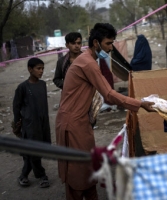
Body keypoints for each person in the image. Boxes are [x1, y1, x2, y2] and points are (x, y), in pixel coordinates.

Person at [55, 23, 155, 200]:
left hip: (80, 121)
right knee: (78, 176)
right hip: (73, 124)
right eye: (108, 44)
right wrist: (139, 104)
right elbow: (108, 95)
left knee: (88, 170)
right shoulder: (87, 63)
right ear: (96, 43)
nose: (111, 48)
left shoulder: (88, 60)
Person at [12, 57, 51, 188]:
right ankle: (42, 175)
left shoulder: (42, 85)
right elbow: (16, 106)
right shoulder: (23, 87)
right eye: (38, 68)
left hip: (42, 123)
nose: (41, 71)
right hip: (29, 125)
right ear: (30, 69)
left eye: (42, 69)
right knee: (33, 151)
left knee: (33, 151)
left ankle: (23, 175)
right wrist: (17, 123)